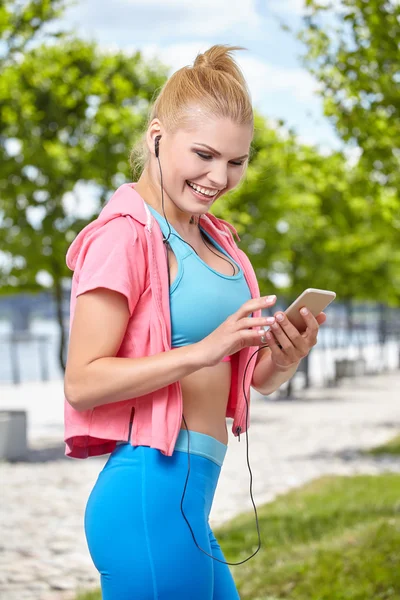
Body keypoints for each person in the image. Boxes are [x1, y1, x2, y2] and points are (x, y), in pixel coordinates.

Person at [64, 44, 326, 600]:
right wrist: (205, 349)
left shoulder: (218, 242)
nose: (219, 177)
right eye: (204, 154)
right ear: (158, 136)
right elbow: (83, 382)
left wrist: (283, 357)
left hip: (189, 510)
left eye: (237, 161)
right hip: (146, 499)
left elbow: (249, 379)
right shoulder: (124, 234)